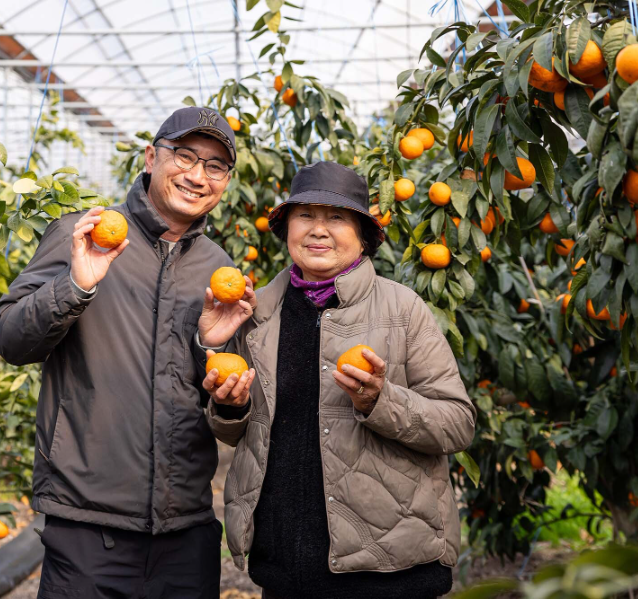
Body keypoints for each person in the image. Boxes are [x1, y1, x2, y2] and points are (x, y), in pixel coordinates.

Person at [0, 107, 257, 599]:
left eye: (216, 166)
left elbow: (224, 404)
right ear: (152, 157)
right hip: (89, 527)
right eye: (185, 156)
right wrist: (75, 285)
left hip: (186, 531)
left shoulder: (219, 267)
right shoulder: (86, 233)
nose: (198, 176)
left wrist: (212, 347)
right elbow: (9, 339)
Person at [198, 161, 476, 599]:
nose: (318, 229)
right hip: (284, 566)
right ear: (287, 228)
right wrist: (230, 407)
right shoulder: (259, 311)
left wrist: (380, 402)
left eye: (336, 217)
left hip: (388, 570)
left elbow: (457, 422)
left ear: (363, 237)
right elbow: (242, 433)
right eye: (305, 215)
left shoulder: (402, 309)